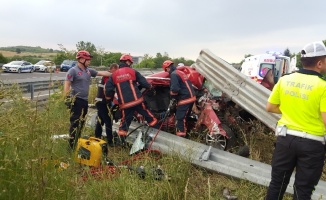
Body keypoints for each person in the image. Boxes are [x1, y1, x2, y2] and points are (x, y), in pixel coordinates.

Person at [265, 41, 326, 199]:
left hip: (285, 140)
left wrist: (290, 109)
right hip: (312, 145)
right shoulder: (323, 86)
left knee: (277, 184)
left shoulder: (285, 80)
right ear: (319, 63)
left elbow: (270, 107)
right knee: (303, 190)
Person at [64, 50, 111, 150]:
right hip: (76, 100)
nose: (89, 61)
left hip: (84, 101)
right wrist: (67, 98)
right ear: (81, 59)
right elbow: (67, 84)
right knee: (75, 123)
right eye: (88, 60)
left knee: (81, 123)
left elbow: (102, 73)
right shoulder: (73, 70)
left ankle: (76, 142)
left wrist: (115, 73)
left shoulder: (88, 71)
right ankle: (71, 147)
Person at [105, 54, 157, 137]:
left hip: (125, 104)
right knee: (148, 115)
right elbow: (144, 83)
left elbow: (108, 90)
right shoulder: (133, 71)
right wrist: (151, 88)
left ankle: (121, 140)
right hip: (137, 101)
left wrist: (108, 100)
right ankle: (155, 133)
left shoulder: (113, 75)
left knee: (125, 122)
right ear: (128, 62)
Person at [162, 60, 196, 137]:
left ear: (167, 68)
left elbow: (175, 89)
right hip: (191, 97)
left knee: (179, 118)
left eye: (166, 70)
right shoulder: (180, 72)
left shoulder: (173, 75)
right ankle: (186, 133)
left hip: (185, 99)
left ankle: (180, 138)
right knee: (185, 117)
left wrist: (172, 98)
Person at [94, 63, 119, 147]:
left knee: (100, 120)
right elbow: (107, 90)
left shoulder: (108, 76)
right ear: (113, 68)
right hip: (102, 102)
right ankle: (110, 141)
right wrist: (109, 101)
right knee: (108, 121)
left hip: (100, 102)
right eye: (116, 70)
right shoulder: (107, 77)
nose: (117, 72)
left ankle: (97, 137)